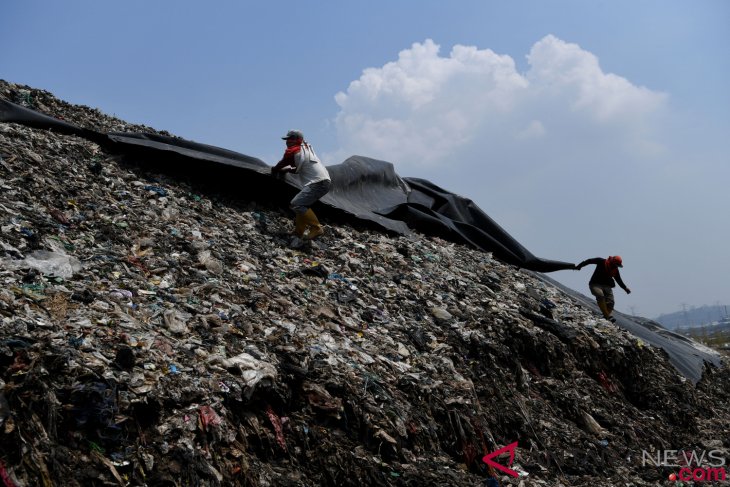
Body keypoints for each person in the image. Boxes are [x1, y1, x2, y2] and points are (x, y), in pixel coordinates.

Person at [271, 129, 331, 241]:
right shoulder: (306, 150)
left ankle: (316, 228)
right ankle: (298, 232)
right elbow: (298, 167)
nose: (287, 141)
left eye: (290, 139)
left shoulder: (294, 150)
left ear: (297, 140)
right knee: (302, 205)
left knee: (297, 204)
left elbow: (282, 163)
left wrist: (275, 169)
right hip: (324, 182)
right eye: (287, 139)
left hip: (318, 183)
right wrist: (288, 170)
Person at [574, 255, 631, 323]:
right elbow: (589, 261)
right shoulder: (601, 261)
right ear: (612, 262)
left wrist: (625, 288)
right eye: (615, 265)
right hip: (595, 284)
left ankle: (605, 317)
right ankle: (608, 316)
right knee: (600, 295)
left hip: (607, 286)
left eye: (617, 265)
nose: (616, 266)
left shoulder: (615, 270)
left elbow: (618, 280)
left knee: (611, 302)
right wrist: (580, 266)